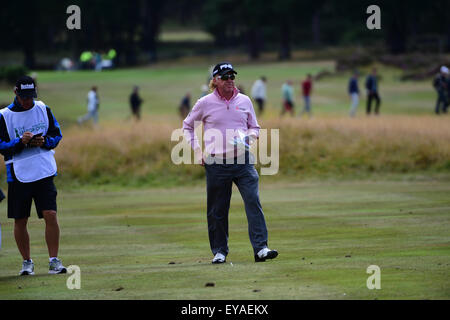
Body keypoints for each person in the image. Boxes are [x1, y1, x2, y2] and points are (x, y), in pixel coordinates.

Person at [183, 62, 278, 264]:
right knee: (218, 209)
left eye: (232, 76)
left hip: (243, 161)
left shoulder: (245, 100)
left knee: (253, 201)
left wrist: (248, 138)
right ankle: (219, 251)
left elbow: (255, 127)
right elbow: (187, 126)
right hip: (216, 163)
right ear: (215, 80)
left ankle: (261, 248)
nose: (230, 80)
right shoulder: (204, 103)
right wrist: (198, 151)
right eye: (225, 77)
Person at [0, 76, 66, 275]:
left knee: (51, 214)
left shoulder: (43, 108)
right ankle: (27, 262)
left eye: (31, 97)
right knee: (20, 219)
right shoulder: (4, 115)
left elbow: (57, 135)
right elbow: (2, 146)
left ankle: (54, 260)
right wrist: (20, 142)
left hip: (43, 169)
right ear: (16, 93)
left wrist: (44, 141)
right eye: (24, 97)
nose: (28, 101)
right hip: (18, 172)